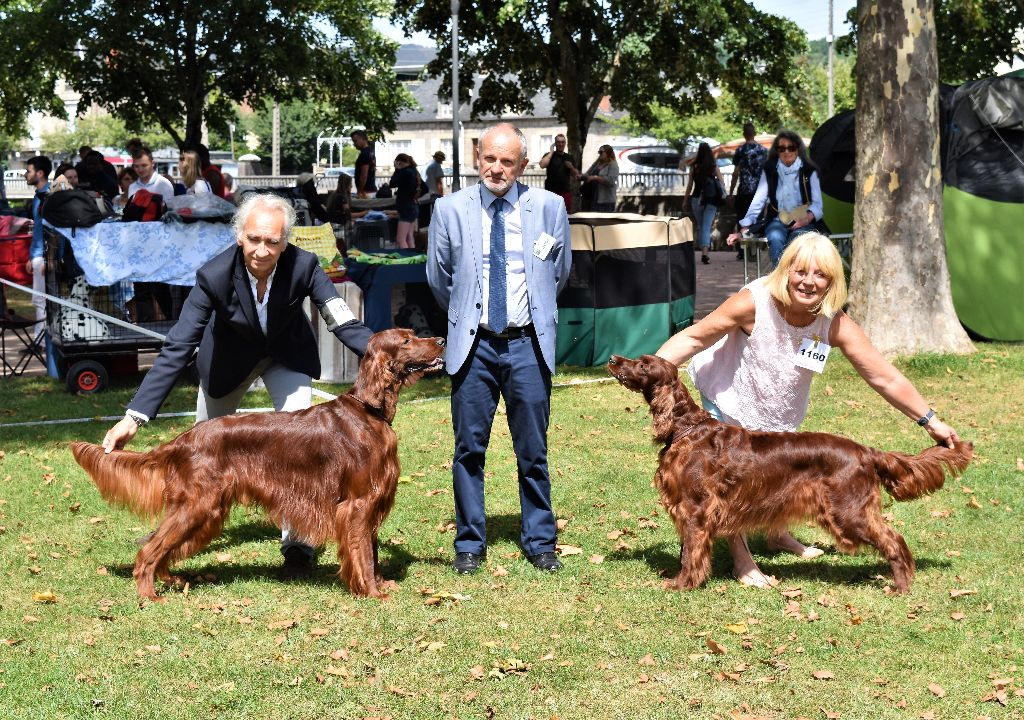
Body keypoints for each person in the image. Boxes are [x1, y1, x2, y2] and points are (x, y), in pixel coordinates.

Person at [655, 232, 961, 588]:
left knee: (775, 473)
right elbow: (695, 337)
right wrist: (652, 371)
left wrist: (929, 420)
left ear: (832, 282)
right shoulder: (753, 302)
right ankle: (743, 562)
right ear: (786, 271)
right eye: (800, 271)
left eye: (820, 275)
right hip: (730, 392)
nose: (808, 281)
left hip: (778, 406)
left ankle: (777, 533)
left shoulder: (832, 322)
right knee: (727, 480)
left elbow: (884, 377)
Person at [100, 193, 374, 580]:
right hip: (228, 365)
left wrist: (383, 351)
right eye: (255, 239)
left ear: (286, 241)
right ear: (240, 237)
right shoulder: (214, 275)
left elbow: (341, 320)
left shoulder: (305, 265)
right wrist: (135, 416)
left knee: (301, 446)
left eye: (273, 242)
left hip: (285, 356)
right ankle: (173, 532)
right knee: (202, 454)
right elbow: (180, 344)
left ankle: (298, 545)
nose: (262, 250)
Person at [426, 122, 572, 575]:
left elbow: (558, 272)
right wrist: (468, 314)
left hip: (528, 344)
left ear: (523, 166)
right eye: (490, 158)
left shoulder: (550, 206)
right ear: (477, 157)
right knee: (469, 449)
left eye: (507, 161)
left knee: (534, 450)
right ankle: (469, 542)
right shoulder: (449, 209)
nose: (497, 168)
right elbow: (439, 278)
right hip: (475, 347)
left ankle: (540, 540)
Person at [727, 130, 824, 267]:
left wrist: (806, 219)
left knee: (799, 239)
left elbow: (817, 204)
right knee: (775, 236)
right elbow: (759, 199)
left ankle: (796, 275)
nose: (786, 152)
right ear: (777, 151)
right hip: (777, 219)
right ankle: (780, 277)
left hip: (803, 218)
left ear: (798, 149)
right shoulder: (769, 170)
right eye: (781, 148)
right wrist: (745, 226)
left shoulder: (809, 171)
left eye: (791, 148)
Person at [729, 123, 768, 260]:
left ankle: (742, 251)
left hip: (744, 191)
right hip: (760, 191)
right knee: (757, 221)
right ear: (755, 133)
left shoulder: (740, 150)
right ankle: (754, 251)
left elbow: (735, 173)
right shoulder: (764, 150)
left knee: (743, 220)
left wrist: (731, 192)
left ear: (744, 134)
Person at [683, 142, 725, 265]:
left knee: (701, 226)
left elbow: (690, 185)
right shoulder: (713, 166)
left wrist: (685, 200)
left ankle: (703, 250)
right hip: (711, 200)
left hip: (696, 198)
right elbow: (722, 183)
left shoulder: (694, 166)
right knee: (706, 226)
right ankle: (705, 253)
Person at [22, 155, 51, 337]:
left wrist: (47, 258)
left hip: (46, 255)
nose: (25, 174)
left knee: (40, 299)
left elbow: (53, 232)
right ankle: (41, 339)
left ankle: (41, 341)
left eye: (29, 171)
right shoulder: (38, 197)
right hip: (39, 255)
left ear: (40, 173)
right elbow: (38, 230)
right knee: (40, 299)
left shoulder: (49, 197)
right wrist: (32, 256)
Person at [539, 133, 580, 214]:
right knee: (550, 215)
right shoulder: (549, 155)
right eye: (558, 142)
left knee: (565, 215)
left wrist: (571, 167)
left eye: (562, 142)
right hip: (550, 192)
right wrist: (551, 152)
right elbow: (542, 165)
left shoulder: (569, 157)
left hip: (565, 192)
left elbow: (576, 175)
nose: (560, 144)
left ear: (565, 143)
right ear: (555, 143)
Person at [389, 153, 420, 249]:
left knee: (400, 239)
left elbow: (392, 183)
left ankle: (407, 260)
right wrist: (414, 197)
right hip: (413, 206)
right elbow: (425, 188)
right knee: (409, 237)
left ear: (399, 162)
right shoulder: (414, 171)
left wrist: (397, 169)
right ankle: (413, 260)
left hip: (406, 208)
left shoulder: (404, 172)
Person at [582, 144, 619, 213]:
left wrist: (596, 178)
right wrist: (580, 176)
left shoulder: (613, 165)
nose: (600, 154)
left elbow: (611, 182)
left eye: (601, 152)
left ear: (608, 153)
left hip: (605, 200)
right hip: (593, 197)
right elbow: (588, 174)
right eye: (599, 152)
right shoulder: (597, 163)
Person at [350, 130, 376, 198]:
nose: (354, 144)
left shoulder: (364, 154)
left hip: (366, 191)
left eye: (355, 141)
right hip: (370, 189)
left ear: (363, 139)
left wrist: (359, 191)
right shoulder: (370, 151)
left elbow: (364, 175)